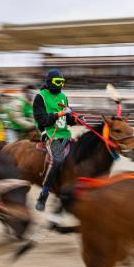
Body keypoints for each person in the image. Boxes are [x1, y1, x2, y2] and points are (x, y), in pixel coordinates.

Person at [32, 69, 78, 212]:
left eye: (62, 82)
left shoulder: (63, 97)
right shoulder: (40, 97)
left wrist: (75, 119)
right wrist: (60, 113)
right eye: (58, 82)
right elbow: (42, 120)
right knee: (58, 160)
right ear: (49, 82)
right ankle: (43, 195)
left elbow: (68, 119)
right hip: (50, 134)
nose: (61, 85)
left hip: (65, 134)